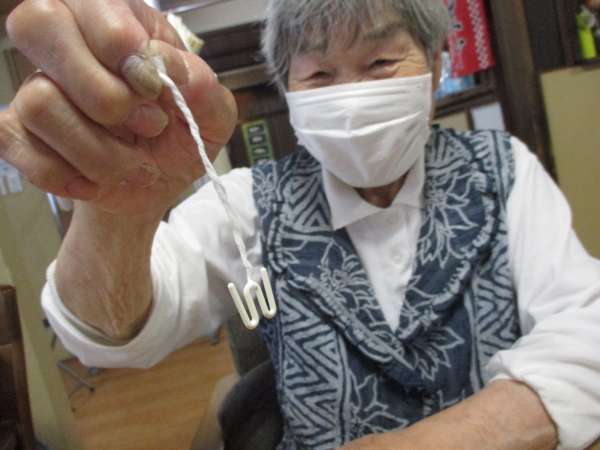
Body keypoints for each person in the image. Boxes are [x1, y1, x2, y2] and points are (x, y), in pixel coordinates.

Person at [1, 0, 599, 449]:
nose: (352, 97)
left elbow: (586, 328)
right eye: (319, 76)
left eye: (380, 62)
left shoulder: (501, 169)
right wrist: (121, 207)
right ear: (288, 91)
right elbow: (107, 332)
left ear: (436, 67)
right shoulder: (246, 203)